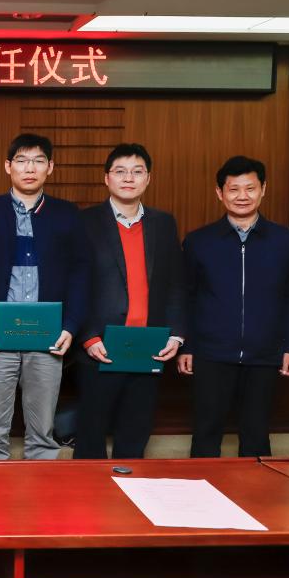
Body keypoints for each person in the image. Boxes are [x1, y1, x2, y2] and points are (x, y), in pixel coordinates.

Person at [0, 133, 90, 460]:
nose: (29, 168)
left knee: (42, 433)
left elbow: (80, 273)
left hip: (48, 335)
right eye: (21, 161)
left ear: (50, 167)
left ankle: (40, 487)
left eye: (38, 161)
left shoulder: (67, 214)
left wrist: (70, 326)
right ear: (8, 166)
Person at [179, 155, 289, 457]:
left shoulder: (286, 241)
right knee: (206, 432)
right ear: (220, 193)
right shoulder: (199, 241)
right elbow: (187, 297)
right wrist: (188, 346)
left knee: (256, 434)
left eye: (250, 188)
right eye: (234, 189)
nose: (242, 196)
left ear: (263, 189)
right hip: (211, 353)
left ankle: (256, 489)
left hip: (264, 353)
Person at [74, 143, 186, 459]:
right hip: (99, 346)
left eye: (137, 172)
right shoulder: (84, 222)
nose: (128, 178)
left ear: (148, 178)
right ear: (106, 178)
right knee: (91, 435)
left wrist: (176, 334)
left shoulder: (164, 223)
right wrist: (88, 336)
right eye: (120, 171)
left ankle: (130, 488)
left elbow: (176, 283)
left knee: (136, 433)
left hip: (148, 347)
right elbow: (74, 285)